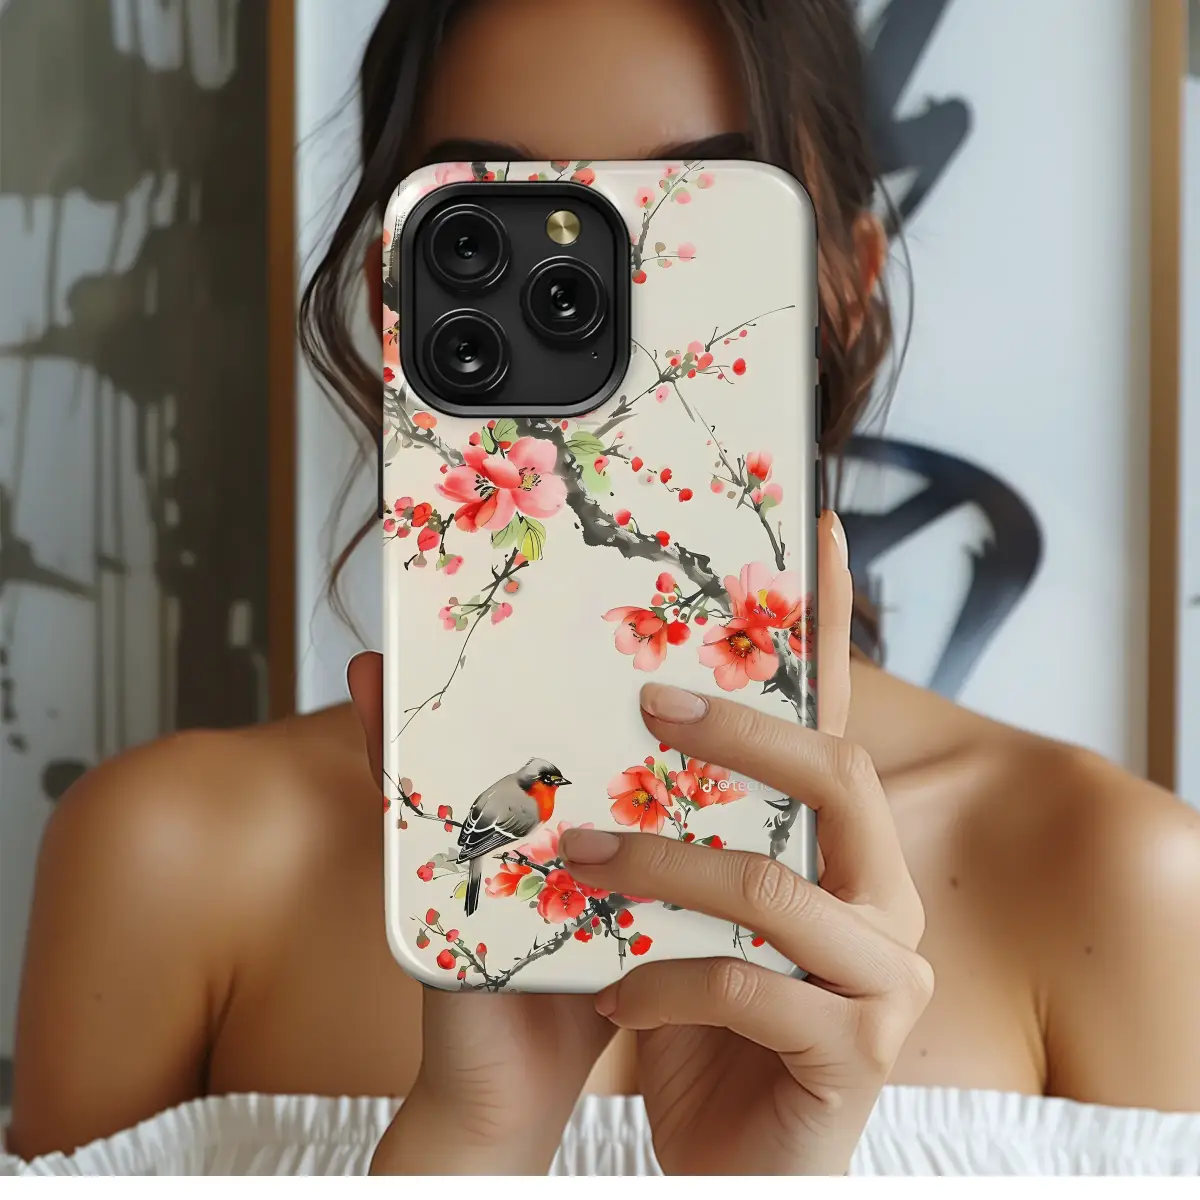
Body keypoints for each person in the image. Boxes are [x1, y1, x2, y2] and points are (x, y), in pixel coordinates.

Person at [7, 0, 1200, 1177]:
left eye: (698, 211)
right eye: (491, 225)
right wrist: (474, 1140)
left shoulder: (1115, 882)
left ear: (848, 285)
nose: (603, 287)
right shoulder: (171, 862)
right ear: (393, 292)